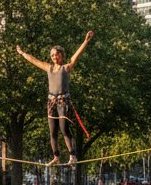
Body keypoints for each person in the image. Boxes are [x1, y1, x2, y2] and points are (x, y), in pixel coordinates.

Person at [16, 30, 94, 166]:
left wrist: (86, 41)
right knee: (52, 131)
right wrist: (22, 53)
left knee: (64, 129)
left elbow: (77, 55)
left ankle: (72, 156)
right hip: (51, 102)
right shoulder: (48, 68)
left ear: (61, 55)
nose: (54, 56)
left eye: (56, 54)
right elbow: (34, 60)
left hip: (63, 102)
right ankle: (56, 156)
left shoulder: (66, 68)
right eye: (52, 55)